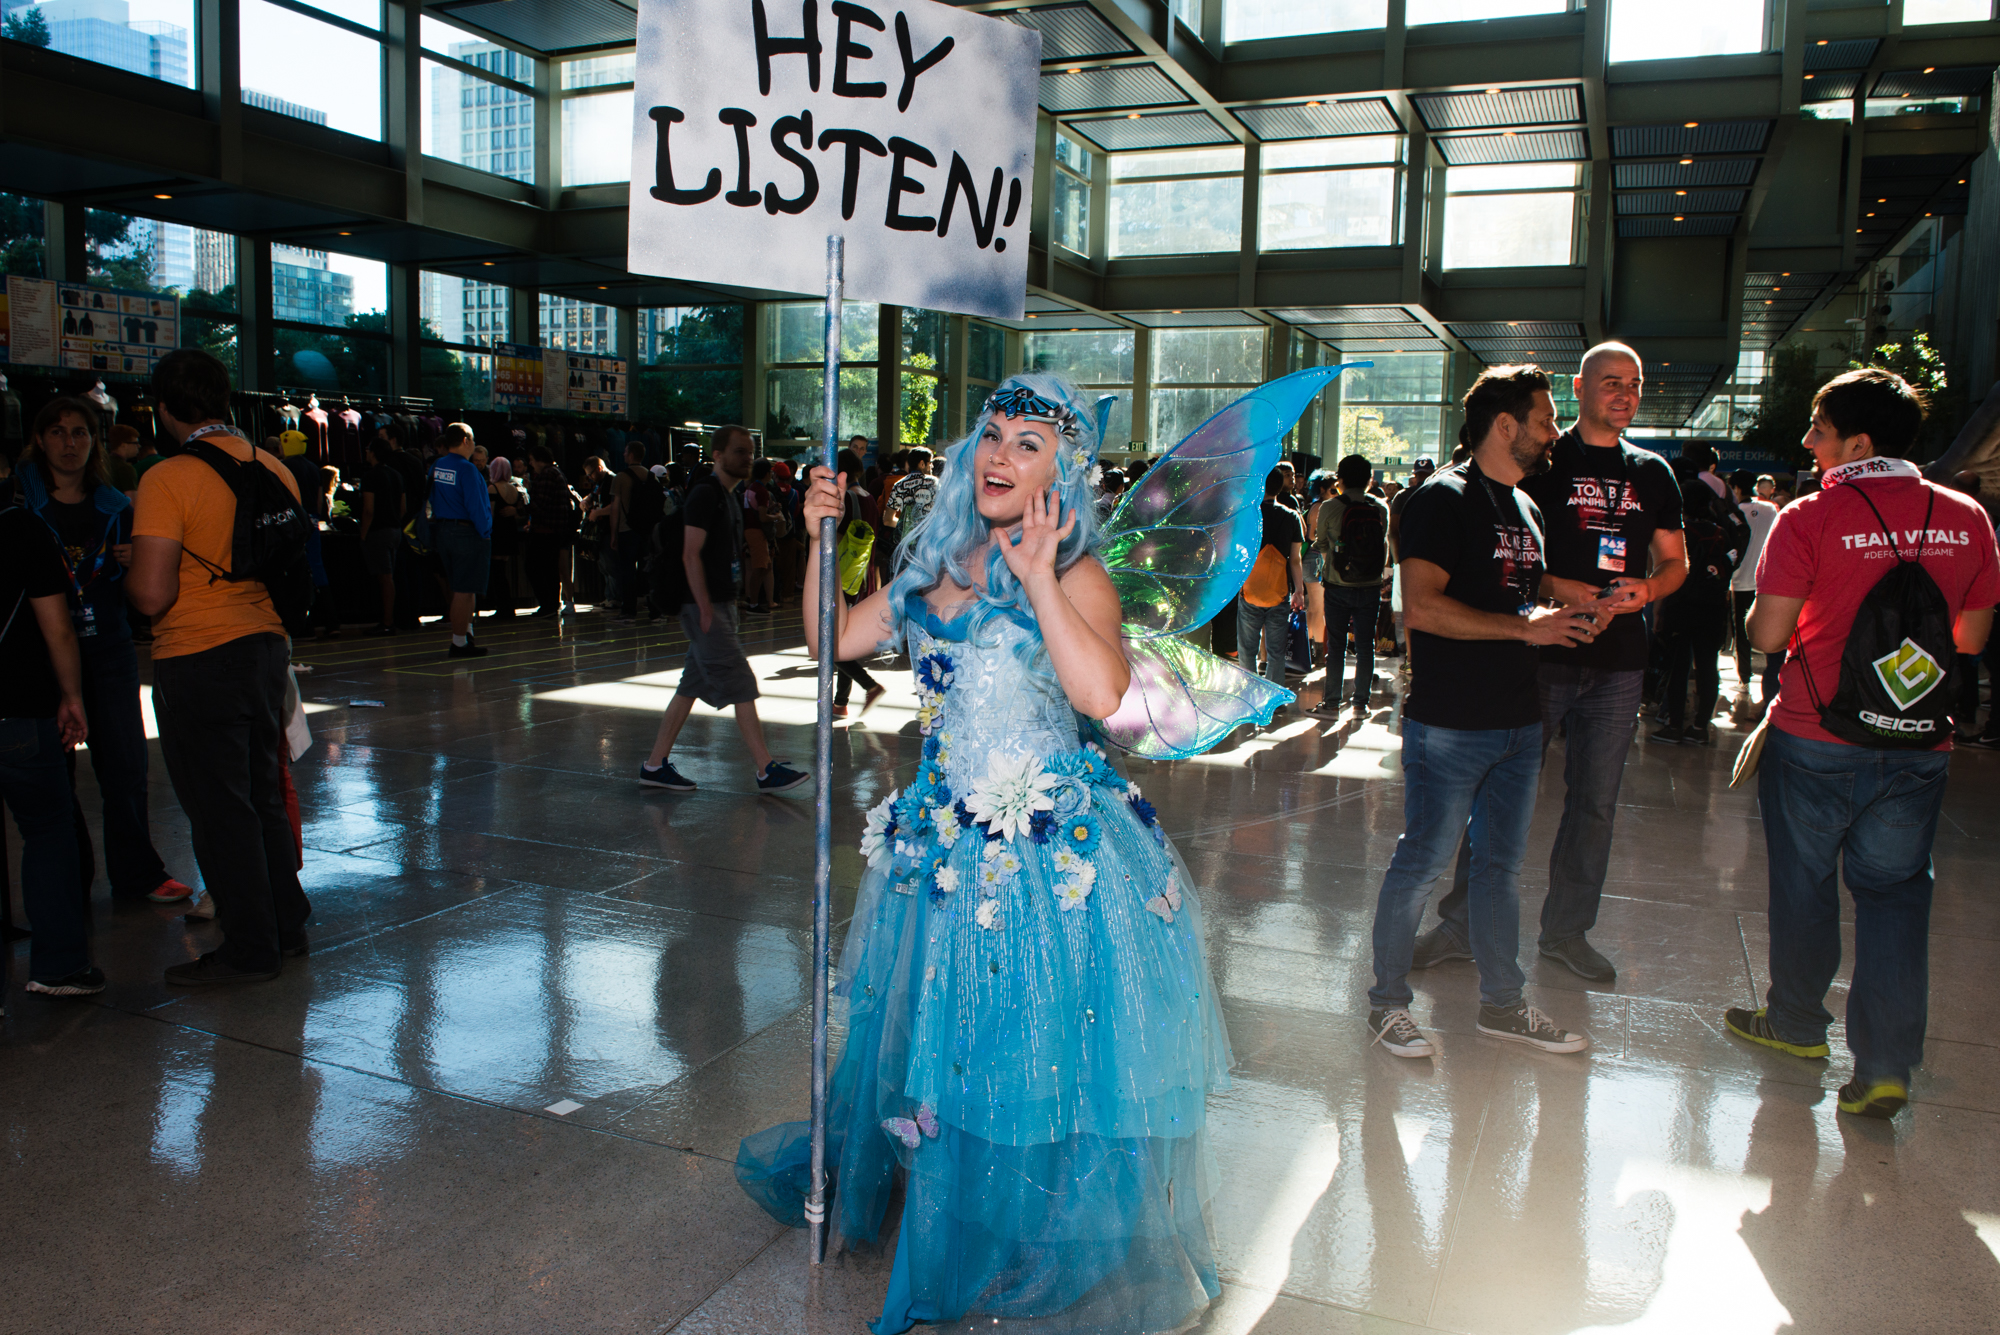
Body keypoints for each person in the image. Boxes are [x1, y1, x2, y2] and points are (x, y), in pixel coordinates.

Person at [737, 373, 1231, 1334]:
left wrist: (1041, 574)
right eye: (993, 435)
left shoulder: (1080, 570)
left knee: (1033, 1031)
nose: (1002, 453)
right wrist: (819, 544)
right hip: (942, 841)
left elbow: (1099, 696)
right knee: (945, 1028)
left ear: (1065, 470)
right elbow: (832, 636)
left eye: (1029, 443)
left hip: (1049, 847)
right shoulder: (929, 563)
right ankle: (953, 1185)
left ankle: (1031, 1214)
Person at [1725, 368, 1999, 1119]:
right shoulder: (1968, 516)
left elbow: (1771, 633)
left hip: (1816, 734)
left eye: (1819, 429)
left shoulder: (1810, 516)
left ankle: (1797, 1026)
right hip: (1918, 746)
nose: (1809, 443)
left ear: (1859, 442)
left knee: (1806, 886)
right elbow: (1971, 638)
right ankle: (1883, 1067)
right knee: (1897, 899)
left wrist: (1758, 619)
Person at [1414, 342, 1686, 985]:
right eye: (1611, 382)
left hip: (1618, 663)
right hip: (1538, 655)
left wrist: (1646, 590)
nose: (1624, 395)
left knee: (1595, 804)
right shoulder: (1539, 457)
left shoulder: (1653, 471)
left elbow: (1675, 563)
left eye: (1635, 384)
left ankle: (1567, 931)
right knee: (1498, 794)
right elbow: (1498, 556)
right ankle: (1461, 926)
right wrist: (1559, 591)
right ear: (1582, 388)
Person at [1365, 365, 1600, 1060]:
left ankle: (1502, 1004)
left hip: (1518, 721)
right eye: (1546, 418)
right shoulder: (1443, 498)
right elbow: (1425, 606)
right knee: (1423, 862)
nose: (1554, 431)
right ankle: (1386, 1004)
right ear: (1506, 425)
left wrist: (1571, 598)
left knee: (1499, 867)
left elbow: (1511, 591)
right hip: (1451, 723)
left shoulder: (1525, 506)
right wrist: (1531, 629)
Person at [129, 348, 312, 985]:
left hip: (199, 653)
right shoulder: (269, 466)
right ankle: (286, 924)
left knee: (218, 807)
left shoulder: (167, 478)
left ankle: (249, 948)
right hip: (266, 648)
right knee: (262, 794)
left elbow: (152, 594)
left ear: (162, 408)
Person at [15, 396, 190, 905]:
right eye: (58, 432)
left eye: (80, 433)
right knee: (52, 772)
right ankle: (69, 874)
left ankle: (137, 874)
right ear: (40, 439)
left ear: (95, 442)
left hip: (107, 648)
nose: (69, 443)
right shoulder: (18, 505)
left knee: (126, 768)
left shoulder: (118, 507)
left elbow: (149, 589)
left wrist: (141, 558)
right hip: (41, 654)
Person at [639, 427, 809, 794]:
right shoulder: (705, 494)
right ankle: (766, 769)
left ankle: (654, 765)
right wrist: (703, 607)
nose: (747, 457)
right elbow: (689, 553)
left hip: (718, 605)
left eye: (749, 451)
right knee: (742, 683)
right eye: (738, 451)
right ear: (716, 454)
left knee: (690, 686)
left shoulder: (729, 497)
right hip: (706, 608)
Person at [1, 485, 102, 999]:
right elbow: (57, 626)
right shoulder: (20, 526)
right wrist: (71, 695)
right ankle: (59, 965)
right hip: (17, 705)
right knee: (46, 831)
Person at [1649, 460, 1747, 745]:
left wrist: (1658, 612)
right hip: (1713, 608)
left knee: (1678, 667)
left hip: (1680, 608)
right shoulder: (1721, 532)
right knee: (1708, 667)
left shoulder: (1679, 535)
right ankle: (1701, 726)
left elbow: (1666, 572)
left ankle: (1674, 724)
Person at [1311, 454, 1391, 716]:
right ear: (1369, 479)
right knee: (1366, 645)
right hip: (1370, 587)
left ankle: (1332, 702)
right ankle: (1361, 703)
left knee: (1337, 645)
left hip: (1337, 585)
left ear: (1340, 480)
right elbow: (1383, 546)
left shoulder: (1330, 507)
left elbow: (1321, 543)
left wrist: (1332, 558)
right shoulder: (1380, 508)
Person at [1236, 467, 1304, 698]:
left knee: (1247, 648)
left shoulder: (1248, 515)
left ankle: (1248, 694)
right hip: (1280, 591)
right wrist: (1299, 591)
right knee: (1275, 650)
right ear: (1279, 487)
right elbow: (1295, 559)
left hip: (1249, 590)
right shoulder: (1291, 516)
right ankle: (1273, 696)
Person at [428, 423, 492, 658]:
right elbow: (476, 506)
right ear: (465, 440)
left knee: (461, 588)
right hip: (467, 533)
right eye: (473, 439)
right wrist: (485, 532)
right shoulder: (467, 470)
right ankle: (459, 642)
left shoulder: (437, 465)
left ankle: (466, 635)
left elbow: (432, 498)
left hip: (444, 531)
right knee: (465, 590)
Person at [1729, 468, 1781, 705]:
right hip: (1765, 580)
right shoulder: (1771, 509)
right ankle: (1769, 674)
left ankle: (1744, 676)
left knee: (1741, 631)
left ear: (1736, 488)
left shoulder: (1735, 513)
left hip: (1739, 580)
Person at [524, 443, 579, 617]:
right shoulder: (557, 473)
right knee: (550, 569)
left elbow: (540, 504)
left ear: (539, 460)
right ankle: (551, 604)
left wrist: (520, 508)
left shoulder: (547, 475)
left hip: (545, 531)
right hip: (556, 530)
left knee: (536, 567)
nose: (530, 464)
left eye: (532, 460)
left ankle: (548, 604)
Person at [357, 437, 405, 634]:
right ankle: (388, 619)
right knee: (388, 574)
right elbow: (403, 507)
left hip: (378, 531)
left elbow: (369, 509)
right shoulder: (396, 475)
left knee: (384, 577)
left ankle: (387, 621)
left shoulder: (370, 476)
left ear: (373, 453)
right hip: (395, 530)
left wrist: (363, 534)